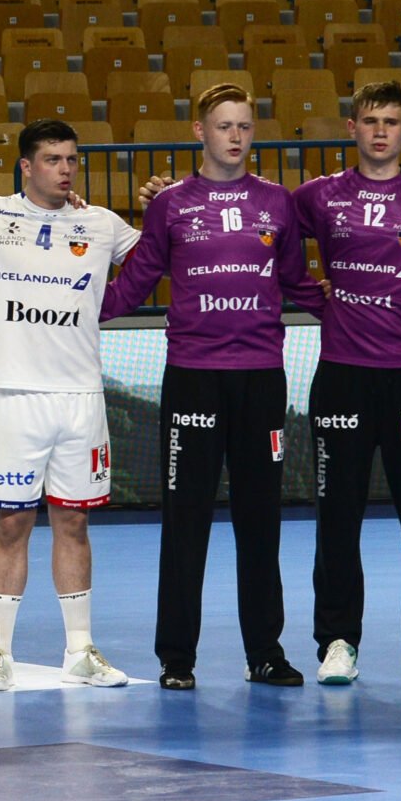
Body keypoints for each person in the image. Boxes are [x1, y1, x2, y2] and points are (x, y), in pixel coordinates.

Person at [107, 86, 321, 689]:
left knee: (261, 520)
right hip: (194, 378)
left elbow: (298, 282)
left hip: (261, 378)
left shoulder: (277, 203)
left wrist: (360, 306)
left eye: (244, 126)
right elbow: (136, 281)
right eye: (224, 126)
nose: (235, 136)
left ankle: (265, 653)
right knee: (186, 521)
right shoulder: (170, 204)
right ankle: (177, 658)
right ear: (200, 131)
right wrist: (69, 309)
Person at [0, 119, 141, 691]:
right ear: (26, 166)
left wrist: (169, 202)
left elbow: (162, 254)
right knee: (13, 522)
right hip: (16, 396)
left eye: (72, 159)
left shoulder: (100, 223)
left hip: (81, 398)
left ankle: (79, 649)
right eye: (53, 159)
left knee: (73, 522)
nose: (66, 169)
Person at [291, 81, 401, 687]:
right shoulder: (319, 196)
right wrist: (312, 296)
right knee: (337, 519)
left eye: (391, 122)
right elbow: (262, 231)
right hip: (342, 376)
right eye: (370, 121)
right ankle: (338, 642)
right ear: (352, 128)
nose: (380, 131)